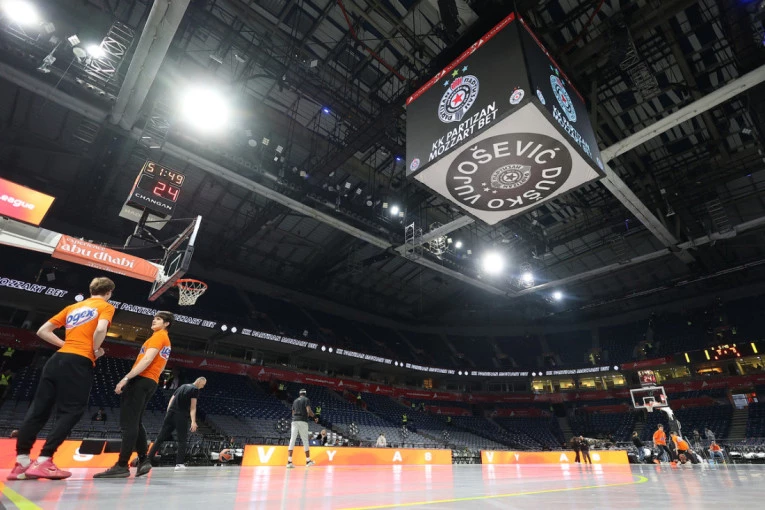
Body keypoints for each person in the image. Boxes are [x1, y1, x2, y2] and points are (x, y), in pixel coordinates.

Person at [8, 277, 115, 481]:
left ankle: (22, 463)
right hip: (79, 361)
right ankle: (44, 460)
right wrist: (94, 350)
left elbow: (42, 331)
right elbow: (101, 329)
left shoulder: (72, 308)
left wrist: (64, 345)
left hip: (56, 360)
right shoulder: (106, 306)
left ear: (91, 290)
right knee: (72, 410)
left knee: (38, 410)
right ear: (109, 292)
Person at [95, 312, 173, 478]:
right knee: (136, 422)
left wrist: (126, 378)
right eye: (154, 318)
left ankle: (122, 465)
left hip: (142, 379)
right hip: (151, 381)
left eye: (159, 319)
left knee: (128, 424)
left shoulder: (159, 337)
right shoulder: (166, 340)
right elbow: (160, 364)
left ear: (166, 323)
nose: (154, 320)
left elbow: (147, 360)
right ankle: (144, 460)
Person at [143, 377, 207, 473]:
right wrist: (193, 421)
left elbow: (171, 400)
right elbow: (193, 407)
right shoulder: (194, 389)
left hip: (170, 413)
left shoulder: (182, 386)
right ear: (199, 381)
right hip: (181, 415)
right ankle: (179, 463)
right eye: (203, 384)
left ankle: (147, 460)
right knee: (182, 440)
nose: (202, 387)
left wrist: (169, 413)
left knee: (159, 438)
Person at [287, 389, 317, 468]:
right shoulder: (306, 399)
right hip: (303, 421)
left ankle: (289, 462)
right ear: (305, 394)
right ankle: (308, 461)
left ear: (299, 394)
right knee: (305, 440)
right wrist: (314, 417)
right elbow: (308, 410)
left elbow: (293, 412)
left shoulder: (295, 401)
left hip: (294, 421)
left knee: (292, 440)